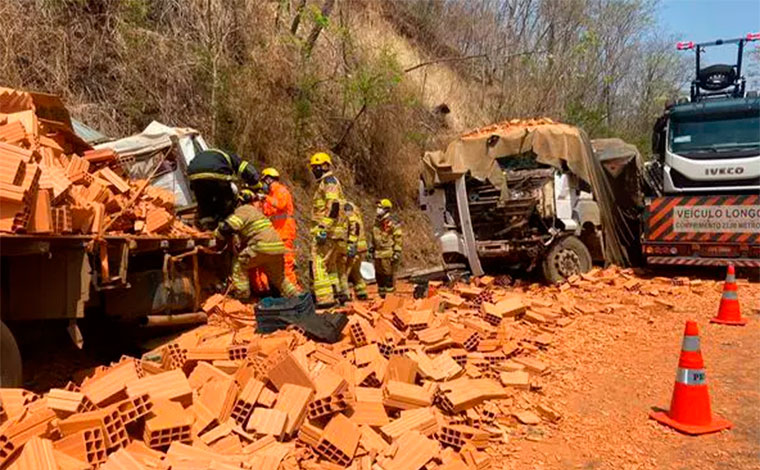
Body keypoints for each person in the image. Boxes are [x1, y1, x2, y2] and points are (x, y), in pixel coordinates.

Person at [214, 190, 299, 301]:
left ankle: (242, 297)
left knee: (239, 265)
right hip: (277, 247)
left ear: (239, 201)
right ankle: (296, 297)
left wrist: (217, 235)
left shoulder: (242, 210)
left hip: (262, 246)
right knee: (280, 278)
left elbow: (228, 227)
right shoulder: (257, 212)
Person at [188, 148, 259, 230]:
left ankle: (207, 225)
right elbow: (246, 169)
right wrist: (256, 185)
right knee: (225, 198)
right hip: (216, 172)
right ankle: (225, 224)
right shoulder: (231, 157)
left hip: (194, 175)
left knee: (204, 201)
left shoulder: (204, 155)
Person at [309, 152, 345, 308]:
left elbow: (334, 206)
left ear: (324, 166)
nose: (314, 170)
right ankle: (337, 293)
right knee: (330, 266)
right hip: (334, 232)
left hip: (328, 231)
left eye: (316, 167)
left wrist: (323, 227)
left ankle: (325, 300)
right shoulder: (325, 183)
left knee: (318, 264)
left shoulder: (329, 182)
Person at [258, 167, 300, 289]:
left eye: (264, 181)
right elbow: (267, 213)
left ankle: (295, 292)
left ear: (269, 179)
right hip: (277, 233)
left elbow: (281, 204)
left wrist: (265, 198)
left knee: (286, 262)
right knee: (275, 264)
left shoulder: (281, 191)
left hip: (285, 231)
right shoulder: (270, 195)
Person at [371, 198, 402, 298]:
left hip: (388, 254)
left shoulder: (392, 222)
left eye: (380, 208)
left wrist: (397, 252)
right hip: (377, 254)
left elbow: (398, 237)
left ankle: (390, 299)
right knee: (379, 277)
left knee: (388, 277)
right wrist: (371, 248)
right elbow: (373, 236)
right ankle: (381, 297)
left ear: (386, 209)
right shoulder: (376, 222)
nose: (378, 209)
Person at [343, 201, 368, 300]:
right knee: (356, 273)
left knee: (344, 273)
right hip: (359, 249)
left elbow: (353, 230)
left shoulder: (351, 216)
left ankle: (345, 295)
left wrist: (351, 244)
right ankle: (362, 292)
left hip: (354, 249)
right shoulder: (357, 215)